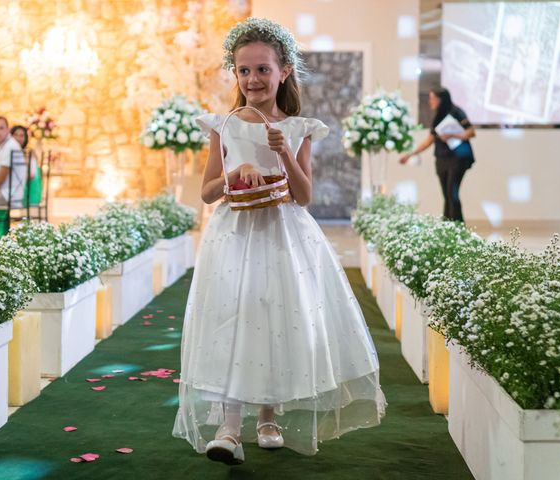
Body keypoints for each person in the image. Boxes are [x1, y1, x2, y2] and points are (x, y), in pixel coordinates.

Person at [172, 17, 386, 465]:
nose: (252, 79)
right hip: (234, 236)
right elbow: (208, 193)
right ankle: (229, 428)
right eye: (244, 70)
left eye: (263, 70)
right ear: (235, 73)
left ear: (283, 71)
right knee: (234, 314)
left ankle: (268, 418)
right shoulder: (224, 126)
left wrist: (283, 151)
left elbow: (305, 196)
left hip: (283, 234)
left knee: (272, 313)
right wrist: (233, 173)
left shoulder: (299, 127)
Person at [399, 87, 476, 222]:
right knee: (446, 195)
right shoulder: (438, 116)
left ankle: (458, 227)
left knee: (453, 193)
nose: (430, 102)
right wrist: (410, 154)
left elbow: (471, 132)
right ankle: (446, 226)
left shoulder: (457, 112)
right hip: (442, 159)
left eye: (433, 99)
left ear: (441, 99)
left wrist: (453, 135)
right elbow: (429, 140)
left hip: (457, 158)